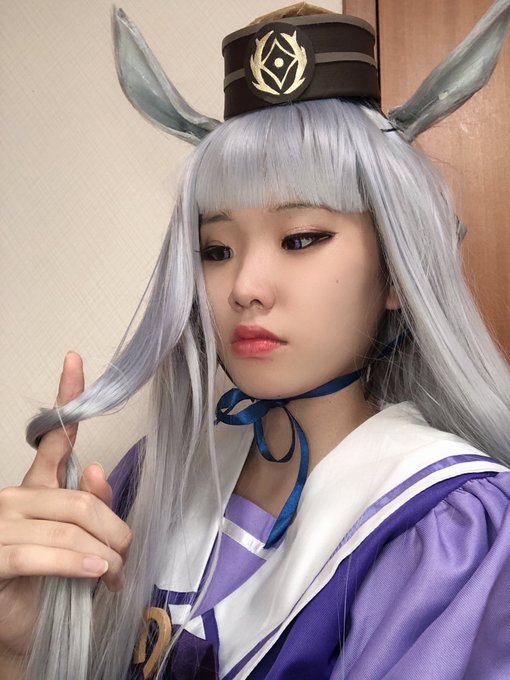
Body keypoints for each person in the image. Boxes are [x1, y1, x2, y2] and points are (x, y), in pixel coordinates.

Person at [1, 2, 510, 679]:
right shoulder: (154, 478)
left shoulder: (447, 528)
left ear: (397, 269)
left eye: (301, 238)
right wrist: (22, 648)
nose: (245, 286)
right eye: (215, 249)